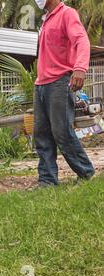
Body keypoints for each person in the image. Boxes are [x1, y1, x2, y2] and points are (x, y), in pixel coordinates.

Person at [33, 0, 95, 186]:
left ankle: (86, 173)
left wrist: (80, 68)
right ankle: (47, 182)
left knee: (61, 132)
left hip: (59, 82)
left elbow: (82, 40)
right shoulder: (46, 20)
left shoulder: (67, 13)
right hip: (41, 84)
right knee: (42, 134)